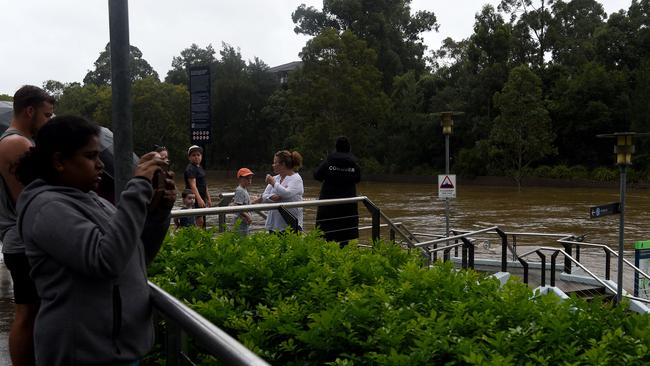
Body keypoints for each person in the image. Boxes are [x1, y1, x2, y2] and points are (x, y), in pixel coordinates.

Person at [14, 115, 175, 366]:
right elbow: (106, 261)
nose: (100, 165)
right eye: (90, 157)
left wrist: (157, 213)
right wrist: (138, 185)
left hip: (117, 350)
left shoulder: (93, 199)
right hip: (85, 354)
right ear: (59, 161)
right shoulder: (47, 208)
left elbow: (133, 255)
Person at [0, 85, 55, 366]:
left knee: (32, 311)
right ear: (29, 111)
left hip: (22, 241)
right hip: (23, 242)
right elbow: (32, 198)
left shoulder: (18, 141)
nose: (48, 122)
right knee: (28, 313)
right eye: (47, 115)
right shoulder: (16, 144)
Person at [314, 136, 361, 247]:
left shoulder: (328, 163)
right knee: (345, 236)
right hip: (347, 207)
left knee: (327, 236)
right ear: (349, 148)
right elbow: (358, 178)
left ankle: (329, 259)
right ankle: (342, 258)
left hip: (328, 206)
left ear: (336, 147)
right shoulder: (353, 164)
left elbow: (317, 175)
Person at [262, 150, 304, 232]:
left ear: (283, 164)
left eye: (275, 162)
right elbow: (264, 196)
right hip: (274, 224)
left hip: (290, 224)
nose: (273, 165)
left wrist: (273, 183)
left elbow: (287, 193)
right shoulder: (275, 178)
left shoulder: (296, 179)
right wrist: (271, 197)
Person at [184, 145, 211, 228]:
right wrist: (198, 199)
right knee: (199, 221)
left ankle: (202, 239)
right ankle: (198, 239)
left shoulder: (200, 167)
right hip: (193, 198)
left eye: (198, 155)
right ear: (189, 157)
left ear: (201, 156)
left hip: (201, 197)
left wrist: (208, 198)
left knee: (203, 220)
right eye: (193, 155)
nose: (196, 157)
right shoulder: (190, 169)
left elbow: (204, 184)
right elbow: (193, 186)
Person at [231, 168, 256, 236]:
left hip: (244, 221)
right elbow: (238, 206)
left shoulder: (244, 189)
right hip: (240, 222)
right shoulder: (240, 190)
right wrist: (248, 217)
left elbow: (244, 202)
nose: (249, 181)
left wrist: (252, 199)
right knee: (241, 240)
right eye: (247, 179)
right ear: (240, 179)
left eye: (250, 179)